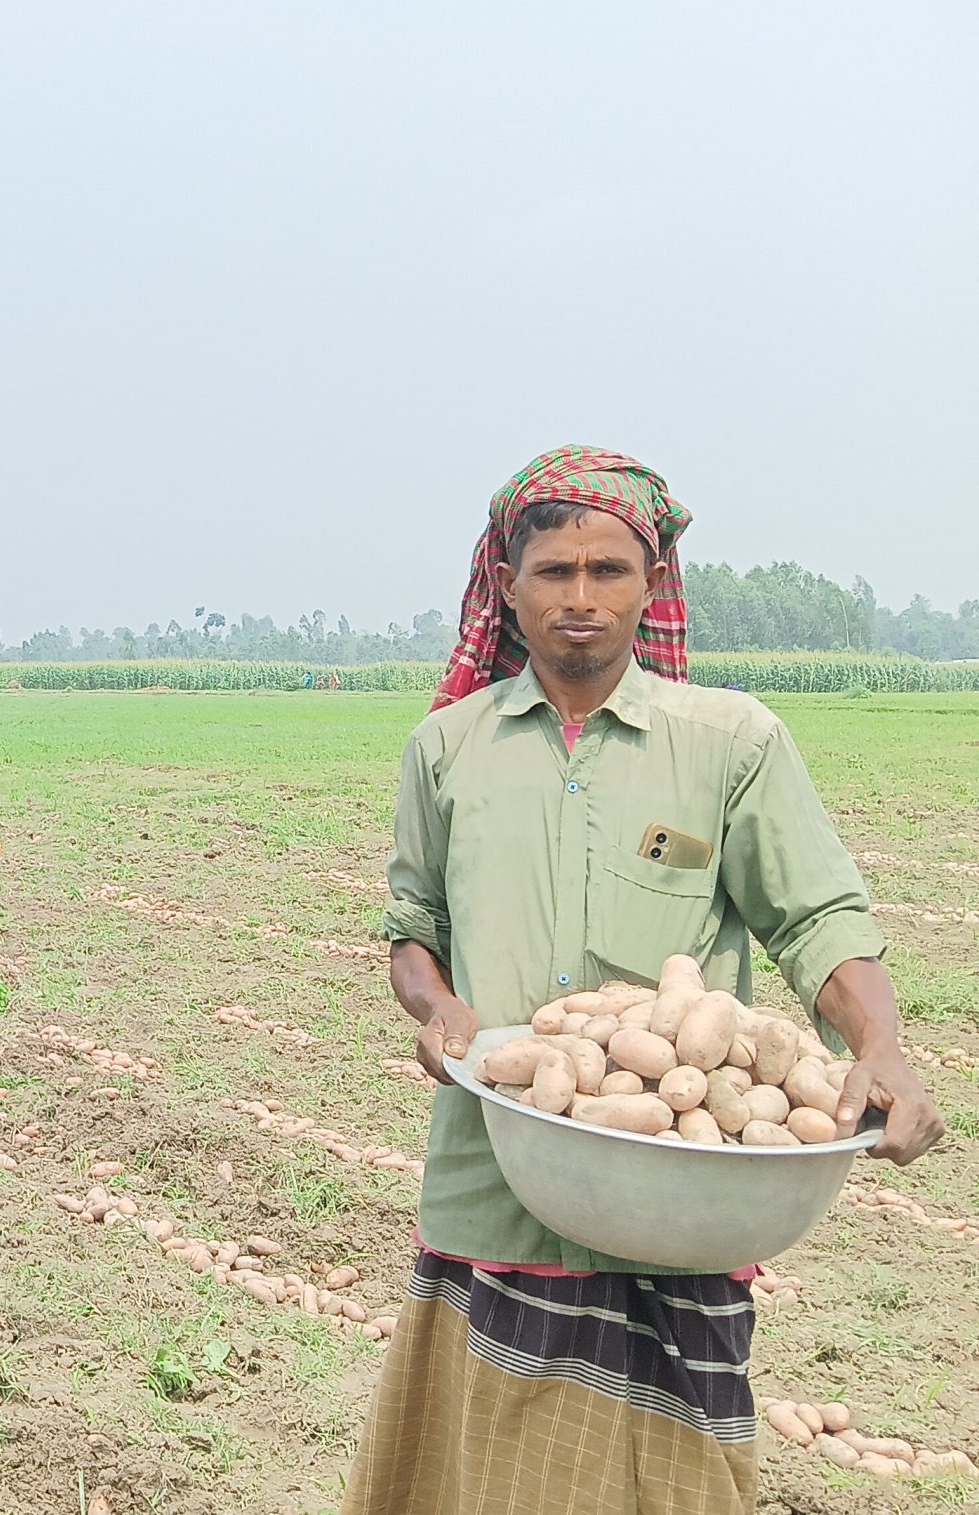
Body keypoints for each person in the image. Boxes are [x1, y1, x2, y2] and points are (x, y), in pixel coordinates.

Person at [344, 446, 944, 1515]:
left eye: (608, 571)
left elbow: (816, 919)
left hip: (681, 1191)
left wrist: (879, 1046)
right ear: (506, 585)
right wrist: (434, 1006)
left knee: (671, 1484)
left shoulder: (729, 744)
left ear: (650, 584)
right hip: (498, 1176)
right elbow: (410, 928)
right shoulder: (445, 750)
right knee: (475, 1479)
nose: (580, 600)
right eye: (553, 572)